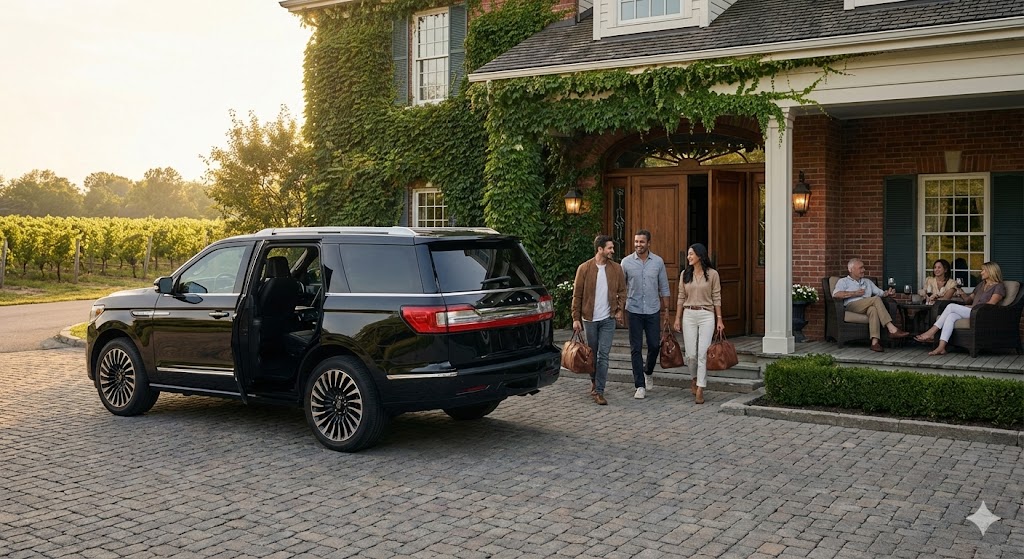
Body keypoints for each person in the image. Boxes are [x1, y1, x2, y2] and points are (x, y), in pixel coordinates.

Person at [571, 235, 627, 405]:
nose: (613, 251)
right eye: (610, 248)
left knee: (603, 355)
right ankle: (594, 381)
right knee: (592, 355)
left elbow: (623, 292)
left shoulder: (616, 269)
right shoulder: (584, 268)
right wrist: (575, 318)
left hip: (608, 319)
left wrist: (618, 309)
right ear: (600, 249)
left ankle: (599, 390)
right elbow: (577, 295)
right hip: (589, 319)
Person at [914, 261, 1006, 356]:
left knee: (950, 306)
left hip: (982, 313)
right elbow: (968, 300)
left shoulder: (998, 286)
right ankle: (941, 347)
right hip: (973, 311)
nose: (981, 272)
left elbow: (991, 304)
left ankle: (931, 332)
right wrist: (961, 292)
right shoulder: (981, 285)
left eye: (983, 270)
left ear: (991, 271)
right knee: (951, 316)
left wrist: (973, 307)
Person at [620, 229, 670, 400]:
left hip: (652, 310)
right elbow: (621, 288)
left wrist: (667, 311)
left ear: (649, 243)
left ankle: (648, 371)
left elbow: (664, 287)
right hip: (633, 310)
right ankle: (639, 385)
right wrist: (619, 308)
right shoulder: (626, 262)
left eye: (641, 242)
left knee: (654, 345)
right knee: (635, 348)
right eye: (636, 242)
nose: (638, 245)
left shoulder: (658, 262)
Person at [671, 243, 721, 405]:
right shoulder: (685, 274)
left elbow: (716, 297)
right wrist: (677, 318)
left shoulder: (713, 274)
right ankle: (694, 378)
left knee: (702, 353)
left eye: (691, 254)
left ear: (700, 255)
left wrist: (719, 319)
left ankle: (700, 387)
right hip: (689, 315)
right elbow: (680, 297)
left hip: (707, 315)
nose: (688, 257)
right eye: (688, 254)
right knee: (691, 355)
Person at [832, 258, 910, 352]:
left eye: (863, 267)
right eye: (860, 268)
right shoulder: (843, 281)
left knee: (873, 309)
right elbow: (836, 294)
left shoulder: (867, 282)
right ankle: (891, 328)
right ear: (851, 270)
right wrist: (854, 293)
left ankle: (874, 343)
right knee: (875, 299)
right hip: (852, 305)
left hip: (868, 304)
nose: (863, 270)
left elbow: (880, 293)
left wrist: (888, 293)